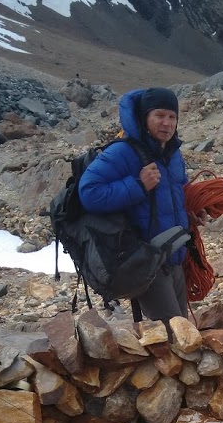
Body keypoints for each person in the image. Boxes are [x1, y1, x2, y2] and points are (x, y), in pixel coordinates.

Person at [77, 87, 207, 322]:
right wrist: (137, 185)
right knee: (175, 339)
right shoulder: (122, 152)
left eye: (172, 117)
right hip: (146, 262)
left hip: (175, 258)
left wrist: (191, 214)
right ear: (144, 117)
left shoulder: (173, 155)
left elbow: (176, 195)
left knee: (185, 331)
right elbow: (89, 193)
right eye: (159, 115)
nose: (167, 123)